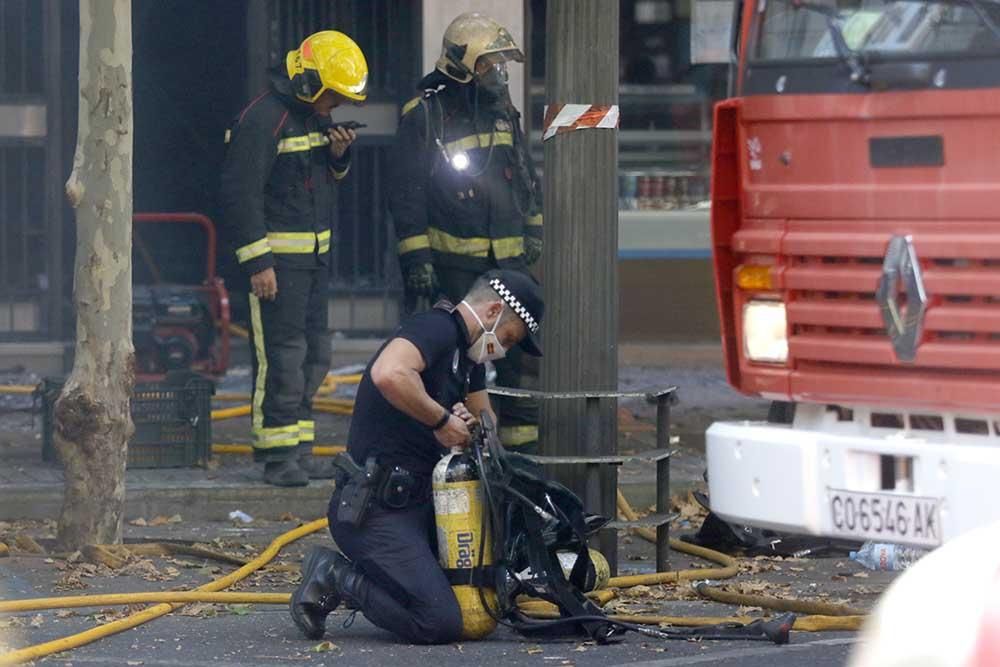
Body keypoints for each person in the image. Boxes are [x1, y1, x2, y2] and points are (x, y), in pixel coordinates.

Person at [289, 269, 544, 644]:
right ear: (492, 311)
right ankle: (336, 576)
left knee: (480, 588)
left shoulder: (468, 359)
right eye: (507, 338)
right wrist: (441, 419)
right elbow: (390, 373)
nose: (503, 350)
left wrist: (470, 428)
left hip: (422, 507)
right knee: (438, 621)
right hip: (376, 512)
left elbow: (486, 426)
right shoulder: (436, 329)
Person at [388, 12, 544, 454]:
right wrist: (416, 258)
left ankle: (521, 453)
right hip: (455, 264)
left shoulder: (502, 112)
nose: (497, 74)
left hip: (510, 262)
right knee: (457, 359)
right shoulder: (426, 115)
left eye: (500, 64)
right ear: (461, 66)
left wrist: (533, 227)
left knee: (519, 358)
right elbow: (406, 193)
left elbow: (525, 173)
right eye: (486, 64)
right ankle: (459, 446)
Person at [219, 31, 368, 487]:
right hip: (278, 267)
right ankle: (277, 454)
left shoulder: (308, 120)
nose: (334, 107)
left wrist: (338, 156)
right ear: (308, 82)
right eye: (332, 96)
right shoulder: (264, 119)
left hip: (313, 262)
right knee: (281, 358)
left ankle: (300, 449)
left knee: (314, 355)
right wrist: (258, 262)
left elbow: (319, 182)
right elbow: (239, 195)